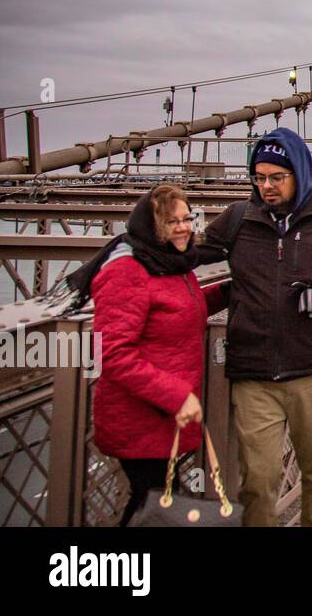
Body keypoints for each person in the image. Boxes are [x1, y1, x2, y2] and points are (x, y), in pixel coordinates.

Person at [202, 128, 312, 526]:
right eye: (259, 177)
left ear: (299, 172)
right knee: (259, 482)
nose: (266, 186)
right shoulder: (236, 219)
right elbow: (188, 254)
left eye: (276, 177)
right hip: (253, 372)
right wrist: (132, 254)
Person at [79, 186, 223, 526]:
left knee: (155, 502)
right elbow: (113, 354)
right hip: (141, 418)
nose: (184, 227)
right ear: (150, 226)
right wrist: (176, 398)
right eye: (171, 221)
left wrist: (235, 291)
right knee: (159, 503)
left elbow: (183, 311)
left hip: (163, 418)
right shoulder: (126, 271)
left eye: (187, 218)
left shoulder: (168, 263)